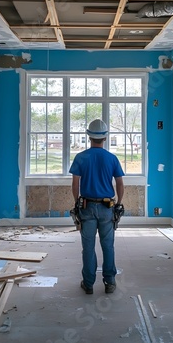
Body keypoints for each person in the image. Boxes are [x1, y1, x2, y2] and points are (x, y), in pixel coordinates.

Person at [69, 119, 124, 295]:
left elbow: (75, 183)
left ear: (89, 137)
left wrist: (77, 202)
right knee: (108, 245)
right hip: (107, 207)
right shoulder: (112, 158)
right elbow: (120, 184)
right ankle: (109, 282)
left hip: (86, 206)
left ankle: (89, 283)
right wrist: (119, 203)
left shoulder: (80, 157)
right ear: (105, 138)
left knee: (88, 246)